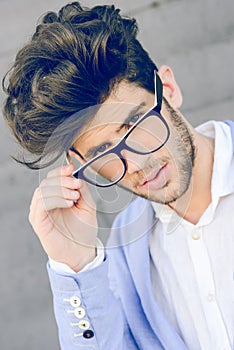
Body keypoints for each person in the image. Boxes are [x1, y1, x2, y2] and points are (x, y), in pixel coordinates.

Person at [2, 2, 234, 349]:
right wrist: (76, 263)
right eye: (101, 152)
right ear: (79, 162)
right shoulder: (124, 258)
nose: (135, 162)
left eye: (135, 124)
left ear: (167, 88)